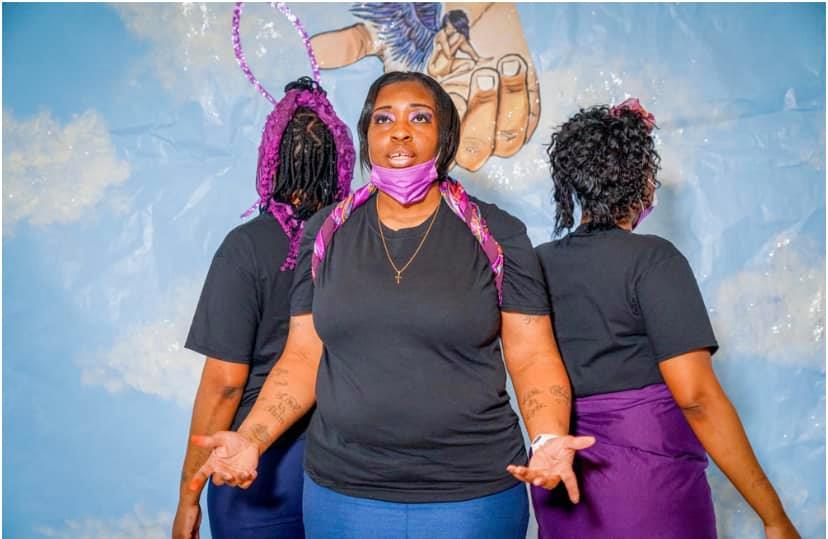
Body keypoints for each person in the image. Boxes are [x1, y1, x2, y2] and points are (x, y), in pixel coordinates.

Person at [188, 71, 595, 539]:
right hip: (343, 494)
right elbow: (302, 358)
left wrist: (546, 436)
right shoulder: (325, 233)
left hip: (471, 496)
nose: (399, 130)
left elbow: (533, 354)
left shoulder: (497, 234)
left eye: (419, 117)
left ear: (445, 137)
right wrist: (251, 438)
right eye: (384, 119)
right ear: (366, 137)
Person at [531, 99, 800, 539]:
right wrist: (773, 516)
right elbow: (696, 396)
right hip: (646, 483)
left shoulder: (536, 264)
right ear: (643, 182)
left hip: (562, 477)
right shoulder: (654, 260)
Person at [172, 76, 355, 539]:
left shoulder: (245, 248)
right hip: (344, 466)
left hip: (252, 467)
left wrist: (187, 499)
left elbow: (225, 386)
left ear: (270, 159)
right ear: (340, 163)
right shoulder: (358, 243)